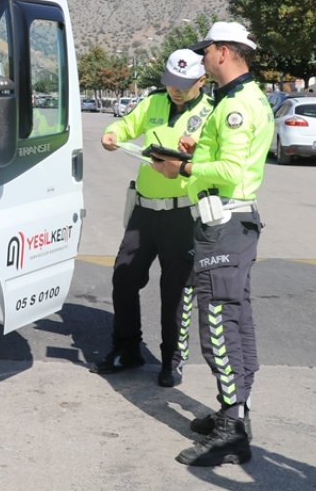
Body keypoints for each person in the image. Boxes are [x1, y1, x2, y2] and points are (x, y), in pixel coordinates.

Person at [149, 21, 272, 467]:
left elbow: (233, 170)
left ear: (223, 51)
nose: (201, 59)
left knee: (219, 323)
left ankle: (231, 431)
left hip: (224, 223)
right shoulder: (242, 98)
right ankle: (235, 410)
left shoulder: (238, 104)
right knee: (237, 319)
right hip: (230, 223)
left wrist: (181, 170)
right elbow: (225, 158)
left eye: (205, 52)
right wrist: (194, 150)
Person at [90, 49, 212, 388]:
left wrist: (192, 157)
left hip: (182, 213)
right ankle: (127, 348)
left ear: (201, 80)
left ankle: (172, 360)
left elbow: (215, 162)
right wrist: (114, 134)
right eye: (171, 82)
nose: (175, 89)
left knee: (175, 291)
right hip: (145, 211)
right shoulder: (154, 103)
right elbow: (128, 124)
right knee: (124, 277)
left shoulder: (212, 113)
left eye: (183, 84)